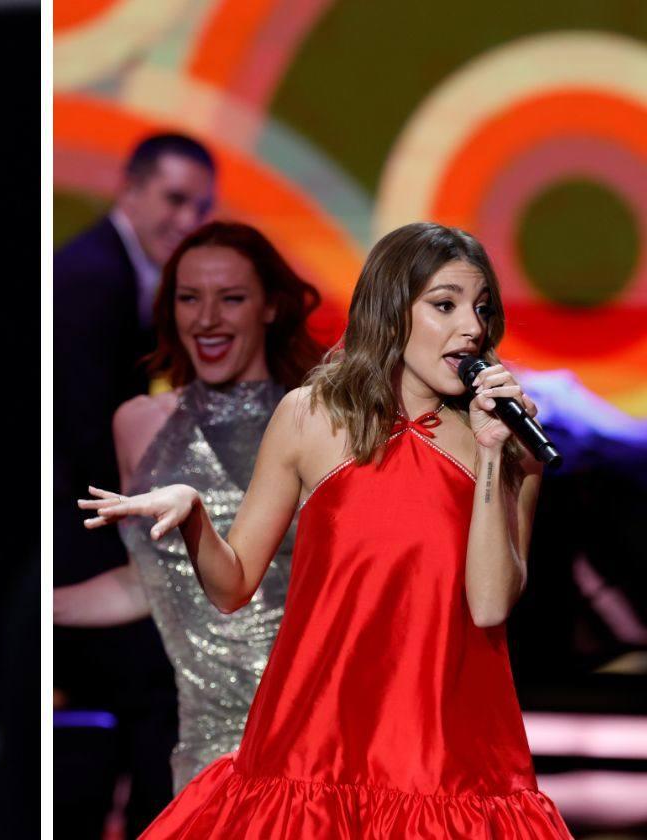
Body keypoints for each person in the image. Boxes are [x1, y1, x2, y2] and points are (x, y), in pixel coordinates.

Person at [82, 222, 573, 837]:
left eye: (480, 308)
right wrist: (197, 515)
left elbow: (489, 603)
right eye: (444, 305)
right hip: (314, 753)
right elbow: (232, 587)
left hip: (450, 763)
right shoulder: (309, 418)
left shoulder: (508, 444)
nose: (471, 327)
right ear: (392, 312)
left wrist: (495, 452)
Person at [54, 221, 323, 792]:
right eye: (188, 298)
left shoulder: (319, 421)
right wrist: (40, 612)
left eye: (231, 299)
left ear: (270, 308)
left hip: (313, 734)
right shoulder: (138, 425)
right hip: (204, 744)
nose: (206, 319)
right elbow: (150, 582)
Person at [53, 133, 216, 834]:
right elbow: (83, 433)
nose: (185, 220)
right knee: (150, 694)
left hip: (100, 540)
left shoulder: (114, 273)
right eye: (175, 199)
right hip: (81, 539)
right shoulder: (94, 276)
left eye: (200, 207)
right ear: (132, 190)